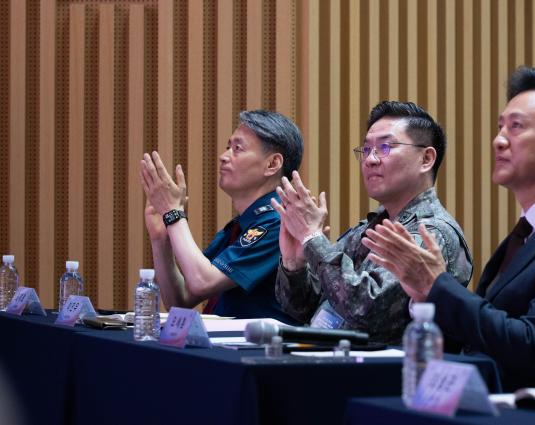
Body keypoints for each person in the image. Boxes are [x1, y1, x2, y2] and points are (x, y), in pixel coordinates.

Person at [362, 67, 535, 390]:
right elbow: (483, 331)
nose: (498, 140)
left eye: (516, 127)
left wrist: (437, 286)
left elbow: (531, 346)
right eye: (501, 126)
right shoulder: (531, 230)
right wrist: (423, 296)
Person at [272, 101, 473, 344]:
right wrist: (295, 264)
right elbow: (305, 306)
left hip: (391, 375)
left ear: (426, 159)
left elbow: (365, 310)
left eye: (385, 147)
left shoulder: (430, 232)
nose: (371, 159)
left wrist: (312, 239)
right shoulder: (370, 227)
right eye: (366, 150)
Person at [139, 110, 304, 323]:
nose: (223, 156)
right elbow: (181, 301)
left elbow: (202, 281)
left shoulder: (279, 223)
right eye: (228, 147)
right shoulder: (241, 226)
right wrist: (161, 239)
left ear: (272, 164)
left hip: (260, 353)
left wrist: (174, 214)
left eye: (237, 148)